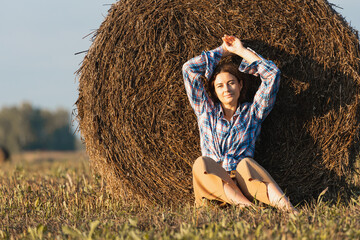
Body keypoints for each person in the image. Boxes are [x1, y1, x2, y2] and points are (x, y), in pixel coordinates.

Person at [182, 35, 297, 213]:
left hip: (245, 183)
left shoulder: (252, 113)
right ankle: (251, 209)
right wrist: (223, 50)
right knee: (201, 163)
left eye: (231, 83)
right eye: (219, 86)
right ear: (214, 90)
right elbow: (189, 69)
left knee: (246, 164)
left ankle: (291, 211)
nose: (226, 89)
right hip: (215, 188)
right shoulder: (205, 111)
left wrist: (241, 51)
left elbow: (272, 74)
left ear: (240, 85)